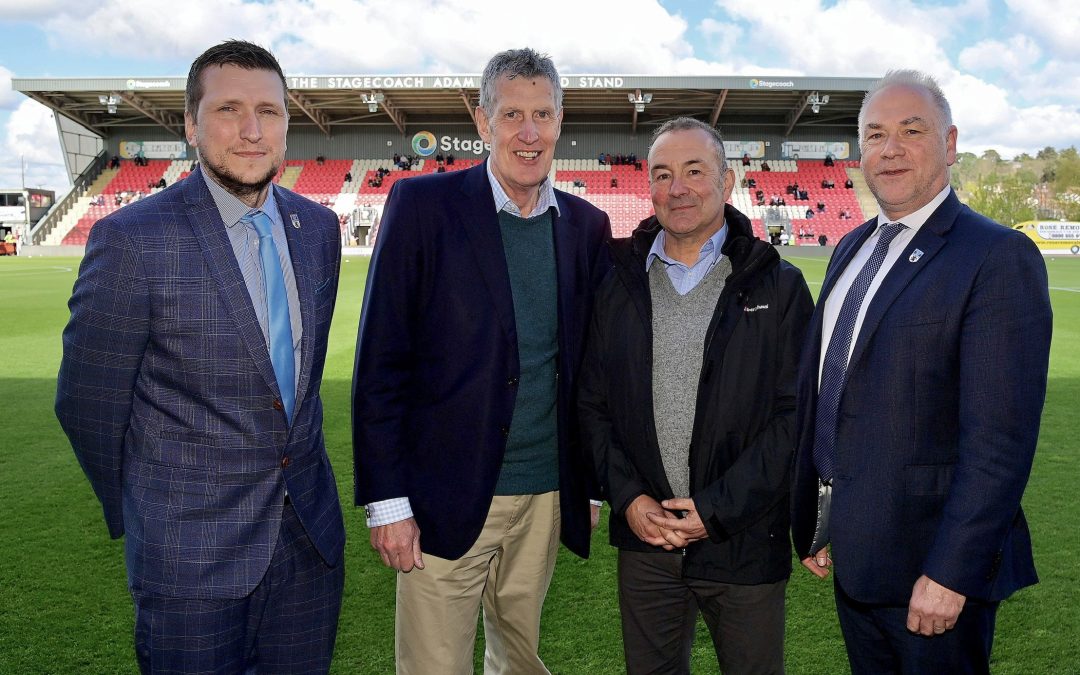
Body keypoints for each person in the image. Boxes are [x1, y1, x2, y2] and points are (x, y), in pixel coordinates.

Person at [55, 40, 345, 673]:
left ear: (288, 124)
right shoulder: (133, 240)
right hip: (188, 556)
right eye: (229, 109)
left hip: (307, 545)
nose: (251, 130)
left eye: (269, 111)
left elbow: (299, 387)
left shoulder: (319, 230)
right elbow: (87, 404)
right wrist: (153, 509)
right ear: (189, 123)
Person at [353, 47, 611, 675]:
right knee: (434, 665)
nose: (530, 133)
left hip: (546, 495)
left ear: (559, 120)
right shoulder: (422, 207)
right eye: (513, 115)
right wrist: (387, 503)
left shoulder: (586, 225)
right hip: (445, 492)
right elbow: (381, 360)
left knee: (519, 660)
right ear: (482, 120)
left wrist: (593, 480)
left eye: (543, 115)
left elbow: (591, 370)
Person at [791, 69, 1052, 674]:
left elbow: (999, 442)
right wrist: (824, 517)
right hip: (857, 555)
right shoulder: (851, 247)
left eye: (912, 130)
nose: (891, 148)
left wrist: (950, 573)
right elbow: (834, 393)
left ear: (951, 143)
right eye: (876, 134)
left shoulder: (994, 255)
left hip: (931, 573)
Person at [580, 117, 813, 675]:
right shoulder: (615, 282)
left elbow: (794, 418)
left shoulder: (779, 286)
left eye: (693, 171)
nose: (677, 187)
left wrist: (715, 511)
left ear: (727, 183)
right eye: (662, 174)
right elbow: (591, 406)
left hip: (745, 541)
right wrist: (629, 499)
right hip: (646, 542)